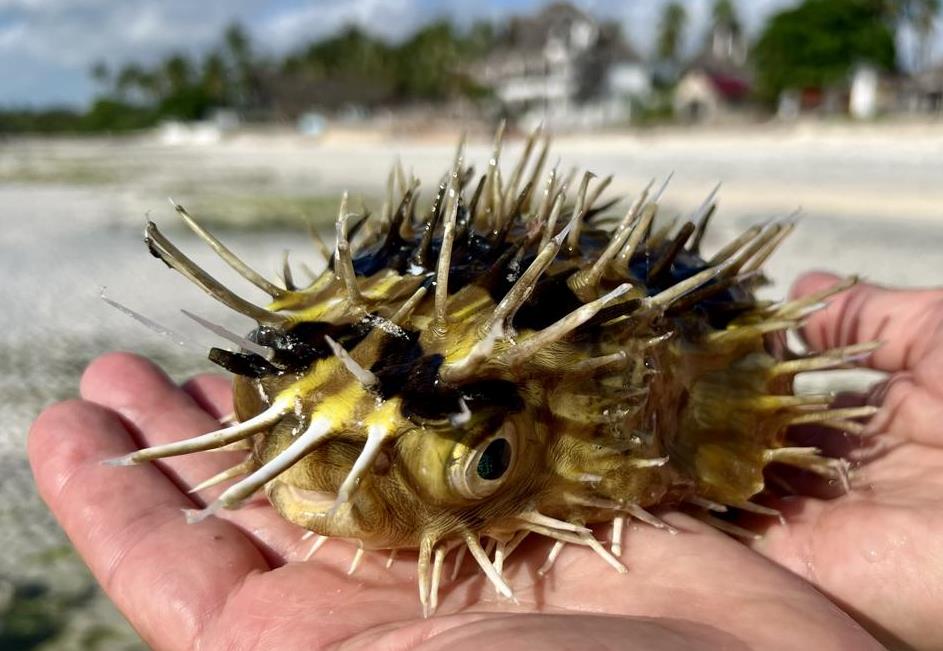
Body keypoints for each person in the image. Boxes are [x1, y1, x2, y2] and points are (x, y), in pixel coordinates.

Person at [28, 272, 943, 650]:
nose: (318, 491)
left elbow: (732, 350)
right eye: (262, 411)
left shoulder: (658, 384)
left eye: (483, 458)